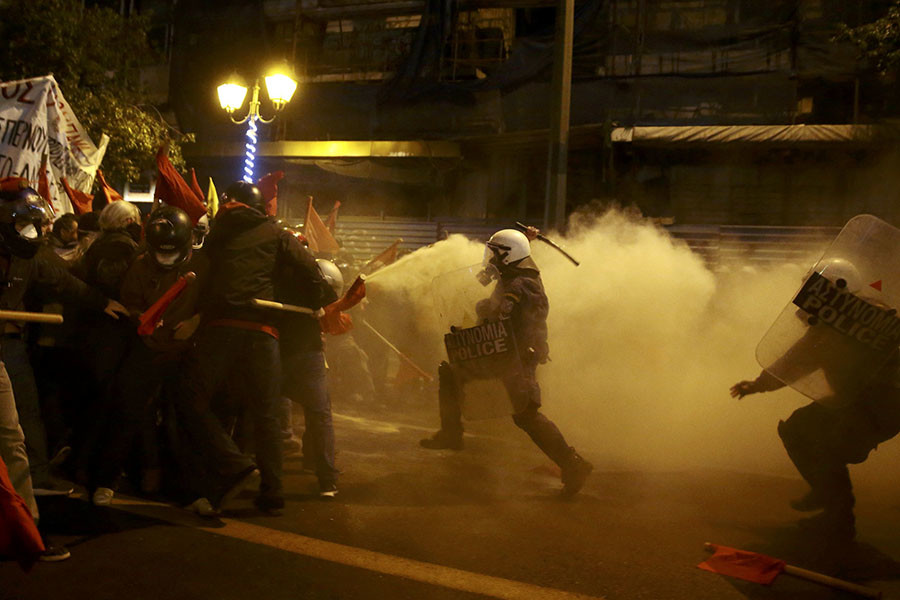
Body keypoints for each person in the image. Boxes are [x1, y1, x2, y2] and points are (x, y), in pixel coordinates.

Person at [185, 181, 331, 514]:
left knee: (198, 400)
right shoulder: (275, 233)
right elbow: (311, 271)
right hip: (263, 332)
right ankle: (272, 492)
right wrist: (315, 304)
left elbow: (201, 276)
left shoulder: (217, 234)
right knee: (267, 414)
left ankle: (228, 471)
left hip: (220, 330)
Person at [0, 182, 128, 560]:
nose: (35, 233)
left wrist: (102, 301)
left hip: (4, 351)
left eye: (37, 225)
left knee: (13, 438)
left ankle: (29, 530)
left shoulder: (31, 256)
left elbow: (64, 281)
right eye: (26, 224)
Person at [730, 257, 900, 541]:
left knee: (810, 438)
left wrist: (758, 385)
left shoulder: (839, 329)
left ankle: (838, 517)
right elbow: (797, 361)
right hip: (865, 405)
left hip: (873, 407)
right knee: (802, 430)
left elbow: (796, 362)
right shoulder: (876, 318)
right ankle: (828, 494)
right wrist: (759, 384)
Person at [420, 228, 593, 497]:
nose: (491, 258)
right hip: (500, 352)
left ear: (509, 256)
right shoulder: (511, 274)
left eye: (496, 253)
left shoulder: (523, 284)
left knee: (526, 414)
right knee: (451, 374)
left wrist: (494, 315)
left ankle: (572, 464)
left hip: (516, 357)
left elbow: (529, 319)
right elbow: (486, 286)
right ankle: (451, 433)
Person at [276, 258, 339, 498]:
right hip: (306, 352)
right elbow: (331, 299)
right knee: (320, 413)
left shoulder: (270, 271)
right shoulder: (312, 276)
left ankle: (267, 479)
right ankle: (326, 480)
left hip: (276, 349)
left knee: (266, 412)